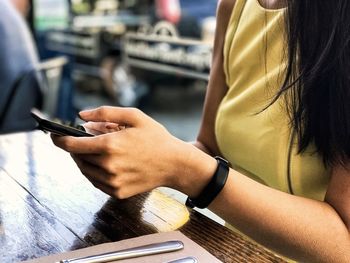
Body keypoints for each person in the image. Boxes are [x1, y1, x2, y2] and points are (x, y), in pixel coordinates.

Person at [51, 0, 350, 262]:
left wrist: (188, 170)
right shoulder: (234, 8)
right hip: (226, 250)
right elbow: (208, 147)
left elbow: (344, 245)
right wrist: (144, 155)